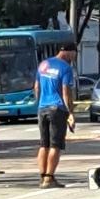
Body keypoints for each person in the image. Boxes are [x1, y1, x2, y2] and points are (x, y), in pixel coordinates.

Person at [34, 42, 77, 188]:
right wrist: (70, 112)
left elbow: (36, 87)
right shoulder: (65, 68)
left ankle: (42, 176)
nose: (74, 57)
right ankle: (49, 177)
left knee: (43, 144)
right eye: (74, 54)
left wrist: (39, 103)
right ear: (68, 52)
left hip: (42, 108)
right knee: (55, 145)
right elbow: (66, 91)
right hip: (57, 109)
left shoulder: (43, 64)